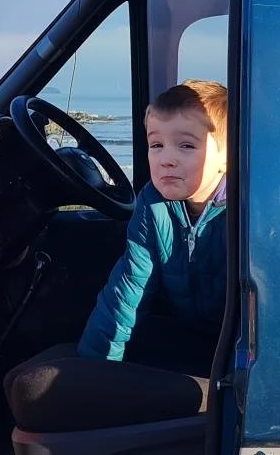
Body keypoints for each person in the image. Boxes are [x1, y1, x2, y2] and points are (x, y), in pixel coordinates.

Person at [76, 79, 230, 376]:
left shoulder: (243, 210)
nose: (166, 159)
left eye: (186, 146)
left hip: (231, 350)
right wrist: (92, 373)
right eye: (156, 145)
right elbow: (128, 292)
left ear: (228, 156)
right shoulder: (153, 204)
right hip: (186, 332)